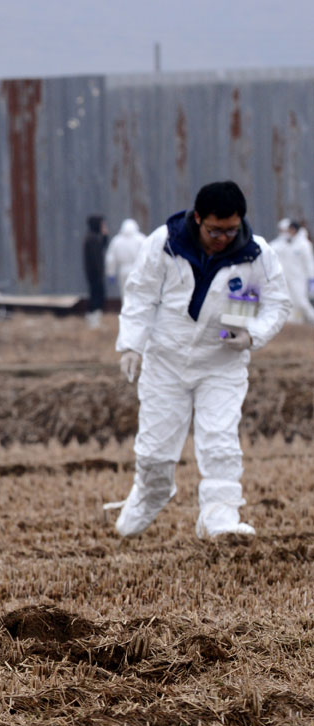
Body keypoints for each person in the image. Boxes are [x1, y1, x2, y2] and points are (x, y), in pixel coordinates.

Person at [113, 181, 290, 538]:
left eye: (231, 230)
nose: (223, 237)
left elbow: (277, 302)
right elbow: (141, 295)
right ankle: (152, 494)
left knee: (221, 442)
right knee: (155, 450)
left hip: (221, 363)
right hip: (166, 361)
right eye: (215, 230)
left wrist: (253, 334)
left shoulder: (257, 255)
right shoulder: (164, 244)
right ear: (198, 219)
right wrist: (131, 345)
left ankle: (219, 517)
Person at [270, 219, 314, 323]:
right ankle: (295, 325)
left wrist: (311, 279)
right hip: (286, 277)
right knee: (290, 302)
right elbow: (272, 248)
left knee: (301, 301)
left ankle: (312, 318)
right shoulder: (284, 243)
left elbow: (309, 263)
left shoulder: (303, 244)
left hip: (299, 278)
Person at [104, 218, 145, 301]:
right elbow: (147, 256)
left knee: (125, 293)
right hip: (138, 270)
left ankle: (126, 312)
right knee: (137, 293)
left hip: (123, 270)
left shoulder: (117, 240)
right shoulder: (141, 239)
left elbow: (111, 258)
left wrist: (111, 272)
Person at [83, 214, 109, 328]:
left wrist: (105, 236)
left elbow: (102, 246)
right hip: (95, 273)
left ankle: (94, 320)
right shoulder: (92, 238)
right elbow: (96, 258)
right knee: (97, 295)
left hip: (94, 273)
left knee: (97, 295)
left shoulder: (92, 237)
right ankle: (93, 321)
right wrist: (100, 271)